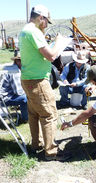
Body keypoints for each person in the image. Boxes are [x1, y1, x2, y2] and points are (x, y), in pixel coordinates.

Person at [19, 4, 70, 161]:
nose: (47, 24)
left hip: (28, 78)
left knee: (34, 114)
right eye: (46, 21)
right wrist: (59, 43)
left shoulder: (25, 30)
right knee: (48, 114)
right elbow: (51, 56)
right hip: (38, 80)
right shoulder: (34, 32)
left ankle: (37, 144)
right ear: (41, 18)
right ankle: (51, 151)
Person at [0, 50, 28, 123]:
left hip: (7, 95)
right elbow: (18, 92)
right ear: (17, 61)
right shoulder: (14, 71)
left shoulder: (13, 68)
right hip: (4, 98)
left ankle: (26, 113)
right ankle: (26, 118)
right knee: (25, 98)